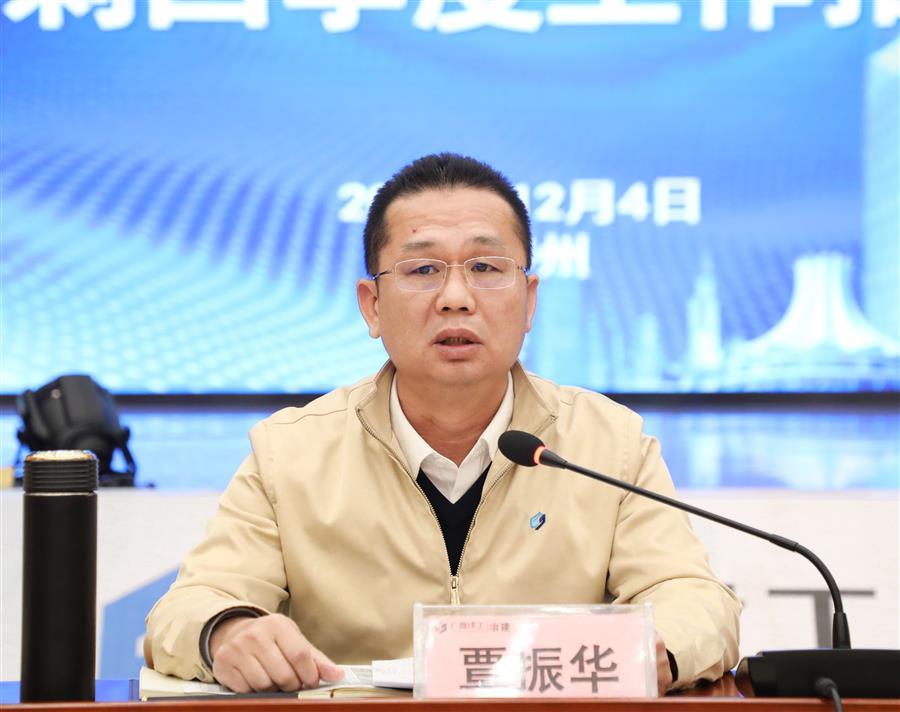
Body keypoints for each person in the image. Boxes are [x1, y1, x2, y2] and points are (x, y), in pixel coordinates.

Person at [144, 153, 740, 695]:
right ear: (372, 306)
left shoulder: (606, 443)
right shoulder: (291, 452)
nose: (456, 297)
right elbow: (188, 607)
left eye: (485, 266)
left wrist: (656, 649)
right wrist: (227, 632)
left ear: (529, 300)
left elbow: (695, 599)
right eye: (423, 269)